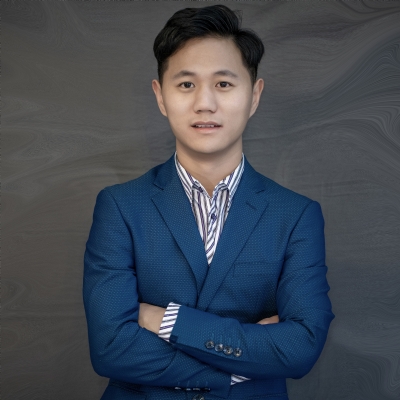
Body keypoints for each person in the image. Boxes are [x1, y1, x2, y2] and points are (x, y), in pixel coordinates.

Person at [83, 5, 334, 400]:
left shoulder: (296, 215)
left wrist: (167, 320)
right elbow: (111, 348)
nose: (205, 103)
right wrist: (239, 366)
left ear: (254, 95)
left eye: (223, 84)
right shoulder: (120, 207)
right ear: (160, 96)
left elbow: (300, 346)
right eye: (186, 84)